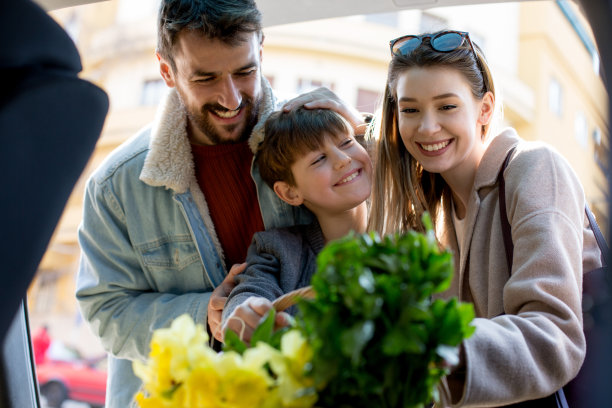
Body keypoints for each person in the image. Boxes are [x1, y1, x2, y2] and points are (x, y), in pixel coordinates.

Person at [74, 1, 364, 407]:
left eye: (245, 71)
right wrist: (203, 316)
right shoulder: (114, 185)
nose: (231, 98)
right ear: (167, 72)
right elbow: (106, 312)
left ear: (261, 50)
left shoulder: (318, 141)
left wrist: (362, 131)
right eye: (206, 78)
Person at [367, 30, 602, 406]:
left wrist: (431, 345)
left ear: (485, 109)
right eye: (410, 110)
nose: (426, 128)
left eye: (446, 107)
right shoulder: (431, 215)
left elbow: (554, 335)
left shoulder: (536, 169)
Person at [219, 107, 372, 342]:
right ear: (290, 193)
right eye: (319, 159)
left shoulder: (409, 230)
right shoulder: (278, 250)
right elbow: (251, 290)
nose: (344, 159)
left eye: (346, 142)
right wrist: (246, 311)